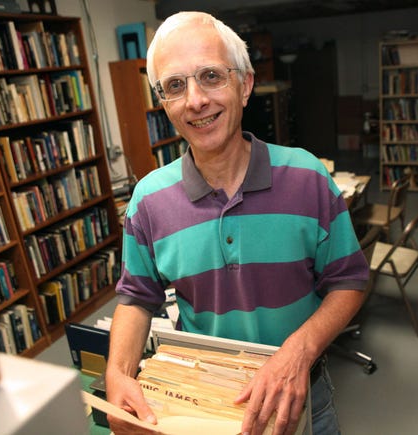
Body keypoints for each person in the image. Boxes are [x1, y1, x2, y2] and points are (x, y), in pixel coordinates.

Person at [105, 11, 369, 435]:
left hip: (302, 403)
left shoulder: (308, 177)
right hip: (205, 403)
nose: (195, 100)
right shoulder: (148, 201)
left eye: (211, 76)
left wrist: (299, 352)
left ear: (245, 85)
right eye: (175, 85)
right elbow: (137, 298)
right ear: (163, 103)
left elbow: (350, 281)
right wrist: (117, 373)